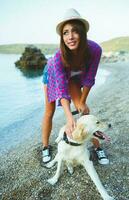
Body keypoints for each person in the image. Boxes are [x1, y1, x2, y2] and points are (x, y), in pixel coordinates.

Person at [41, 8, 109, 165]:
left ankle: (98, 147)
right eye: (65, 33)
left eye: (74, 31)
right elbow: (61, 91)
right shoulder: (57, 58)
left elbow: (89, 79)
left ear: (82, 33)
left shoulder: (94, 49)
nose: (70, 37)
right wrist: (69, 117)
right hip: (52, 75)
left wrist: (82, 102)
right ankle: (45, 146)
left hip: (74, 77)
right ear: (62, 36)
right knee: (49, 111)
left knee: (84, 110)